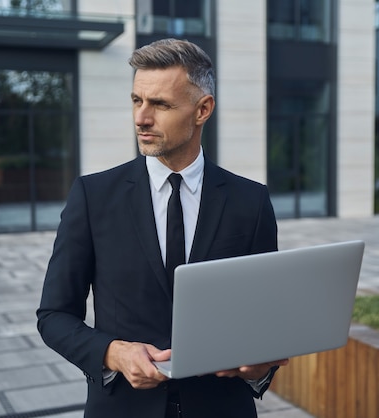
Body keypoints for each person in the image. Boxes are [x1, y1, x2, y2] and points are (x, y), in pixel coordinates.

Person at [37, 38, 288, 418]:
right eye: (137, 100)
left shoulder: (250, 201)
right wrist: (113, 353)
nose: (141, 118)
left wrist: (261, 366)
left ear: (203, 109)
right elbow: (54, 316)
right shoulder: (92, 196)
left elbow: (265, 317)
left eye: (160, 104)